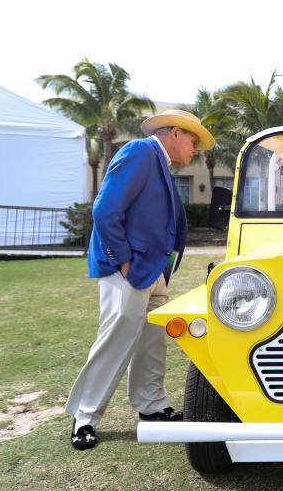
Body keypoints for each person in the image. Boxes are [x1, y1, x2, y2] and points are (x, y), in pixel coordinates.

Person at [66, 110, 215, 449]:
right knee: (116, 340)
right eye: (193, 142)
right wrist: (123, 262)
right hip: (129, 270)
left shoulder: (158, 162)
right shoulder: (140, 152)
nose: (195, 150)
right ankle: (85, 416)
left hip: (153, 271)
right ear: (176, 133)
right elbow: (105, 210)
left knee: (153, 339)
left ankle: (153, 406)